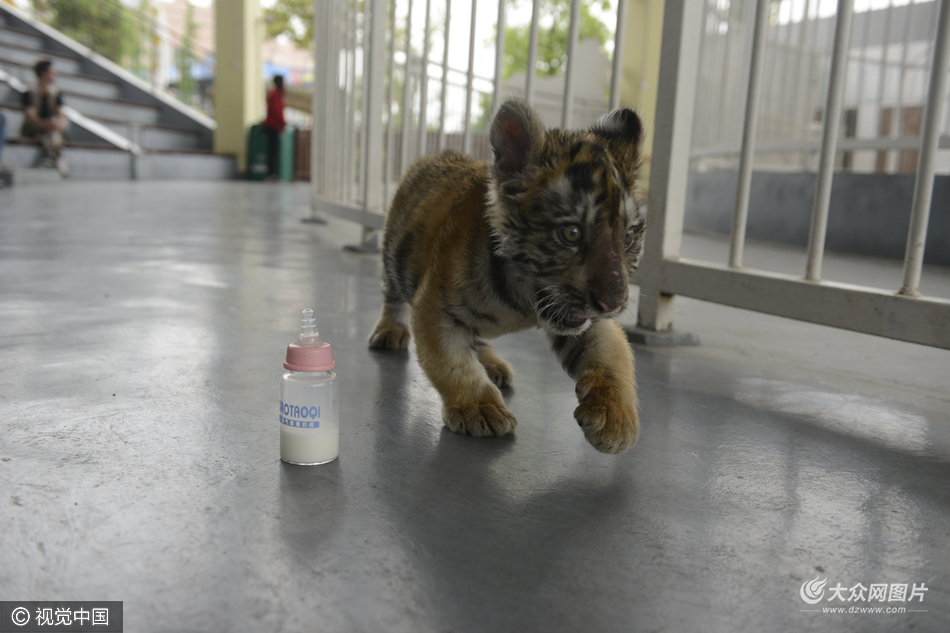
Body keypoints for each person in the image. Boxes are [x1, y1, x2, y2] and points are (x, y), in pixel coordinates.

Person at [21, 59, 68, 176]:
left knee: (51, 134)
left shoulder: (56, 93)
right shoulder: (29, 92)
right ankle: (58, 160)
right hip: (33, 129)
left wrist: (58, 124)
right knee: (52, 135)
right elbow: (30, 115)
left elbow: (62, 114)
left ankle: (51, 158)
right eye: (53, 72)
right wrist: (43, 124)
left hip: (51, 129)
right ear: (43, 75)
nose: (55, 75)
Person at [262, 75, 286, 182]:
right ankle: (271, 175)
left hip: (272, 125)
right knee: (273, 151)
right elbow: (276, 110)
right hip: (273, 126)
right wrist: (283, 122)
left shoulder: (274, 93)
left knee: (272, 151)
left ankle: (272, 174)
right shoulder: (276, 94)